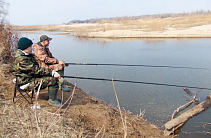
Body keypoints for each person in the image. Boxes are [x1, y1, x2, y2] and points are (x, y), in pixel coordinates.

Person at [12, 37, 62, 107]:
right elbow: (36, 69)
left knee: (50, 76)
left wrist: (50, 72)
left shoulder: (26, 55)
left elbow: (35, 68)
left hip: (29, 77)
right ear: (25, 47)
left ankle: (51, 96)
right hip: (26, 82)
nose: (32, 48)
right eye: (30, 46)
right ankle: (52, 100)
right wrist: (52, 73)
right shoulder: (22, 59)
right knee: (53, 80)